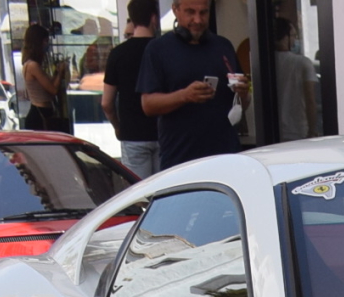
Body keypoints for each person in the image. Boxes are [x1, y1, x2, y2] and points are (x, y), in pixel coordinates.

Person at [138, 0, 244, 171]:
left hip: (225, 158)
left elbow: (241, 105)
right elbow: (148, 105)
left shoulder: (224, 46)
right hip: (180, 160)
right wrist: (185, 96)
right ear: (175, 10)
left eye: (203, 13)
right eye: (190, 12)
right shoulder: (158, 49)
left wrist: (243, 94)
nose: (198, 20)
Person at [102, 0, 160, 175]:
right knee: (167, 192)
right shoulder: (163, 50)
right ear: (154, 18)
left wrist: (118, 126)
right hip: (163, 133)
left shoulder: (118, 54)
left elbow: (106, 103)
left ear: (132, 21)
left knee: (138, 194)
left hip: (132, 134)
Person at [267, 16, 316, 142]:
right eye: (293, 35)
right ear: (285, 37)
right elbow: (310, 99)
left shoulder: (265, 64)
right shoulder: (303, 63)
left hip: (272, 131)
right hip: (298, 131)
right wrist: (313, 130)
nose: (295, 40)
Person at [16, 24, 69, 132]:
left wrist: (56, 73)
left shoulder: (32, 65)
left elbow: (47, 85)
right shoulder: (33, 66)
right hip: (39, 115)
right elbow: (53, 89)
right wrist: (60, 73)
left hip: (44, 112)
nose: (47, 44)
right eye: (45, 41)